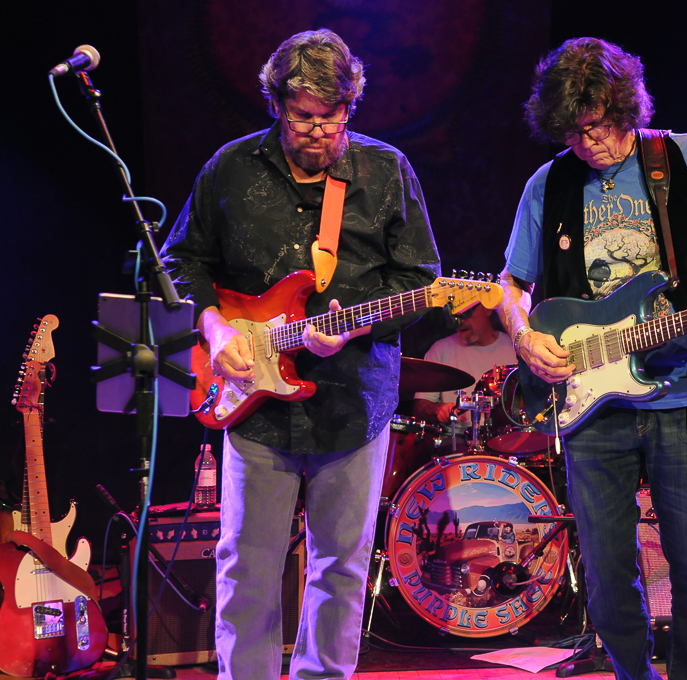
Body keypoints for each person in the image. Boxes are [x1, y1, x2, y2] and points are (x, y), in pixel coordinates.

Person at [159, 29, 440, 680]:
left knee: (341, 566)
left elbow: (420, 282)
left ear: (350, 107)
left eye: (331, 117)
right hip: (251, 403)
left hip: (354, 400)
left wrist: (353, 329)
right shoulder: (231, 167)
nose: (317, 132)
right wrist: (214, 327)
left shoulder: (386, 170)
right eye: (302, 117)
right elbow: (179, 260)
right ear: (276, 104)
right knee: (246, 563)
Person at [498, 38, 687, 680]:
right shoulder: (548, 183)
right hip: (591, 404)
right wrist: (525, 338)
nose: (590, 144)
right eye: (574, 133)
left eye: (600, 126)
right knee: (607, 577)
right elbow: (511, 287)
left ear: (625, 106)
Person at [411, 304, 516, 447]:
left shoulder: (515, 349)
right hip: (455, 443)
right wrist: (438, 410)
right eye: (454, 315)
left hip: (507, 442)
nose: (460, 321)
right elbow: (419, 408)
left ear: (487, 308)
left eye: (466, 312)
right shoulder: (440, 350)